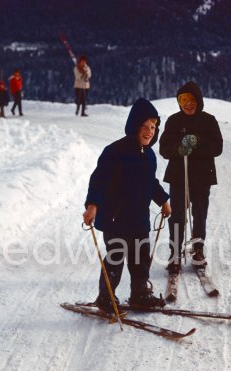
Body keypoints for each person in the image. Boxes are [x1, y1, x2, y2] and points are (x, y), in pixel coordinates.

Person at [83, 98, 171, 313]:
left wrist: (163, 200)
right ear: (134, 126)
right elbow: (99, 180)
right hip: (116, 219)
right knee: (115, 260)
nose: (149, 132)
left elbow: (151, 183)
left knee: (141, 260)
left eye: (153, 127)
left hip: (139, 220)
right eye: (145, 127)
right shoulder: (114, 151)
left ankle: (139, 294)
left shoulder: (149, 155)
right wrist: (92, 205)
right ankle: (106, 299)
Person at [159, 81, 223, 273]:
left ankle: (198, 250)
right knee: (177, 214)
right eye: (184, 100)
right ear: (179, 101)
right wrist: (179, 149)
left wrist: (196, 143)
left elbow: (217, 147)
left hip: (202, 176)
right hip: (179, 176)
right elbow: (164, 148)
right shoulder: (173, 121)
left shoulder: (209, 121)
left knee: (200, 214)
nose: (188, 104)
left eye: (192, 100)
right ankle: (175, 252)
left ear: (199, 101)